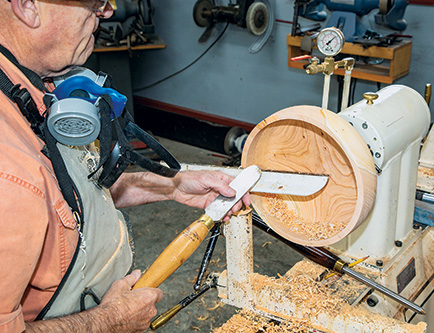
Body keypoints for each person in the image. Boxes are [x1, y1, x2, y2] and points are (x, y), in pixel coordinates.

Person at [0, 0, 250, 332]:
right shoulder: (10, 172)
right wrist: (112, 320)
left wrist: (174, 185)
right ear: (28, 6)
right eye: (95, 3)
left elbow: (74, 195)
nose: (107, 13)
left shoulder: (34, 84)